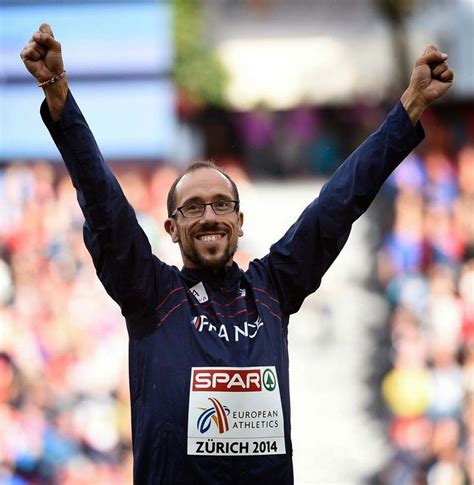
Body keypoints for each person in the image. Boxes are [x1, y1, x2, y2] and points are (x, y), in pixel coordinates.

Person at [21, 23, 454, 484]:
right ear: (171, 227)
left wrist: (410, 107)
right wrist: (58, 96)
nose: (210, 216)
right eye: (193, 208)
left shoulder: (272, 289)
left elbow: (340, 202)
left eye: (222, 205)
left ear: (240, 222)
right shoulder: (151, 295)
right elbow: (105, 207)